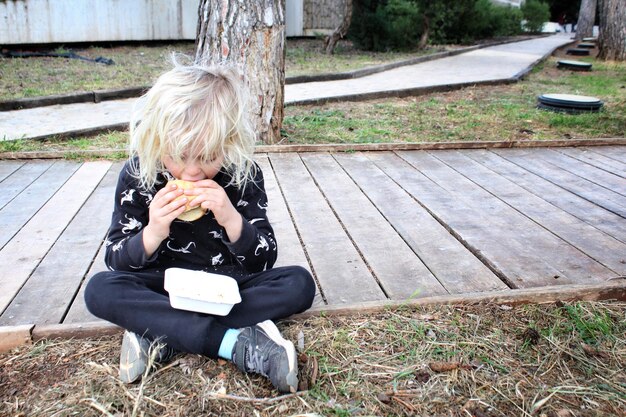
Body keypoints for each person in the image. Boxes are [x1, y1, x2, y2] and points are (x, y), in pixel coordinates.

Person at [84, 59, 316, 394]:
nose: (192, 172)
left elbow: (264, 260)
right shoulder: (138, 175)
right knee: (100, 289)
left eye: (208, 157)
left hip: (229, 287)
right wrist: (153, 232)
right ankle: (234, 344)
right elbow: (116, 259)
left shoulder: (242, 174)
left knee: (299, 283)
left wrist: (231, 219)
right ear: (156, 140)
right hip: (162, 288)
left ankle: (161, 334)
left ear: (229, 142)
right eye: (178, 156)